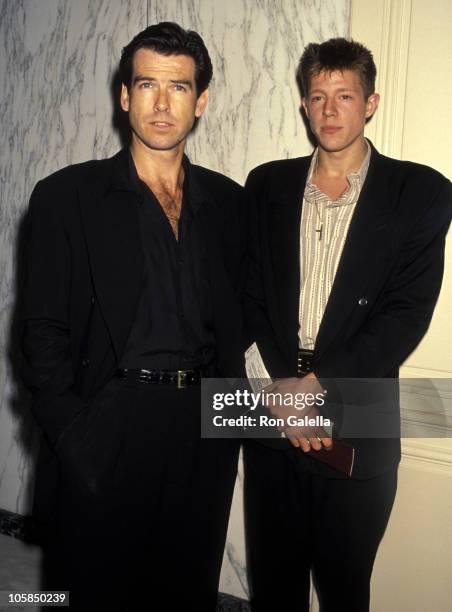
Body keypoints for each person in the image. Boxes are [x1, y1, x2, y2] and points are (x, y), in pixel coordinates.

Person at [21, 22, 245, 611]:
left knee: (185, 589)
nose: (162, 103)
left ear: (201, 102)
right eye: (147, 84)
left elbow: (243, 314)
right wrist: (75, 434)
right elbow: (41, 332)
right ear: (125, 95)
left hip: (205, 425)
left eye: (178, 87)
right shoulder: (67, 196)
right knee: (94, 590)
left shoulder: (228, 203)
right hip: (111, 419)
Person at [243, 38, 451, 611]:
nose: (330, 110)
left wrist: (317, 388)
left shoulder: (420, 192)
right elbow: (250, 296)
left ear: (371, 102)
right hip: (271, 400)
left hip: (360, 404)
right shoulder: (265, 186)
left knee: (344, 584)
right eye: (317, 97)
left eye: (344, 95)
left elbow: (405, 316)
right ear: (304, 105)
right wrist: (280, 390)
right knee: (274, 584)